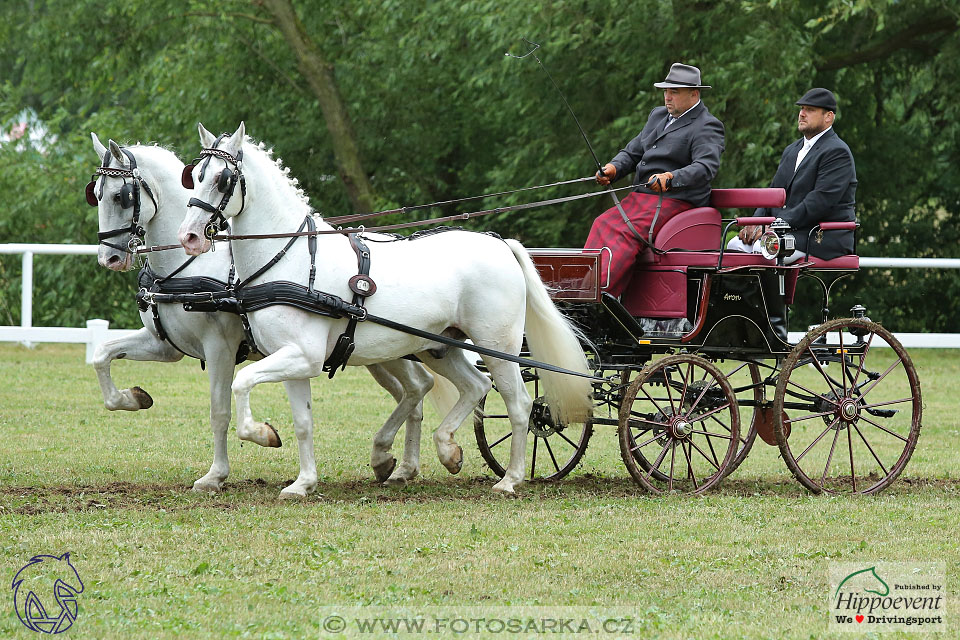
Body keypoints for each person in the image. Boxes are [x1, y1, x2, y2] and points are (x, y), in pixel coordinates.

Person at [585, 62, 725, 297]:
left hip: (677, 200)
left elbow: (705, 167)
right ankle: (582, 289)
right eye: (665, 91)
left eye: (674, 92)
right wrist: (613, 168)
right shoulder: (658, 115)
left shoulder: (707, 125)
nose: (667, 97)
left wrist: (671, 177)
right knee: (602, 222)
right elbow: (633, 152)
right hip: (643, 198)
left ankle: (600, 294)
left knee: (624, 231)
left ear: (694, 93)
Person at [728, 88, 857, 262]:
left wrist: (773, 226)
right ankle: (740, 291)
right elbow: (773, 194)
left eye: (810, 110)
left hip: (820, 236)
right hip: (785, 232)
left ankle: (771, 290)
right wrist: (755, 222)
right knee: (734, 246)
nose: (802, 114)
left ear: (829, 117)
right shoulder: (792, 150)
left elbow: (818, 203)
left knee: (763, 250)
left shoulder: (837, 152)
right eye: (801, 109)